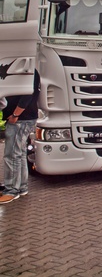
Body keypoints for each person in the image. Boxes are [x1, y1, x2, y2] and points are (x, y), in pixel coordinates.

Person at [0, 71, 40, 204]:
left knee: (12, 155)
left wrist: (15, 114)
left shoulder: (28, 72)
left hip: (20, 119)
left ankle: (11, 190)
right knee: (20, 153)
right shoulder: (29, 71)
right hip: (23, 118)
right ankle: (22, 187)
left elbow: (28, 95)